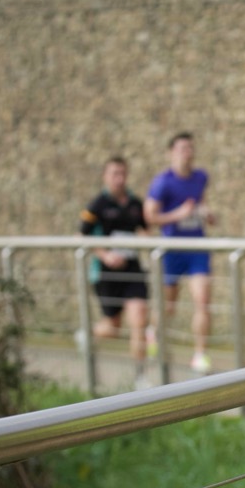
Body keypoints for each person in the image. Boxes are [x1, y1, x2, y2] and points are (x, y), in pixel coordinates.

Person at [144, 131, 216, 374]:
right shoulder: (163, 182)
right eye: (183, 148)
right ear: (171, 153)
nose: (188, 153)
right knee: (169, 306)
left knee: (203, 301)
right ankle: (153, 332)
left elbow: (200, 201)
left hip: (197, 248)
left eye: (191, 148)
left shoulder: (200, 177)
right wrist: (178, 215)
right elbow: (150, 216)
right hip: (172, 250)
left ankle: (200, 354)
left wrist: (206, 213)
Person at [80, 156, 151, 390]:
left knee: (139, 319)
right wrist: (105, 255)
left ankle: (140, 377)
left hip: (132, 269)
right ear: (105, 176)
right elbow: (81, 236)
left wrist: (148, 242)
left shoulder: (135, 203)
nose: (119, 179)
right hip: (107, 273)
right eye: (114, 174)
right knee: (113, 327)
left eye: (123, 174)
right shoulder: (97, 205)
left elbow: (145, 230)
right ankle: (88, 335)